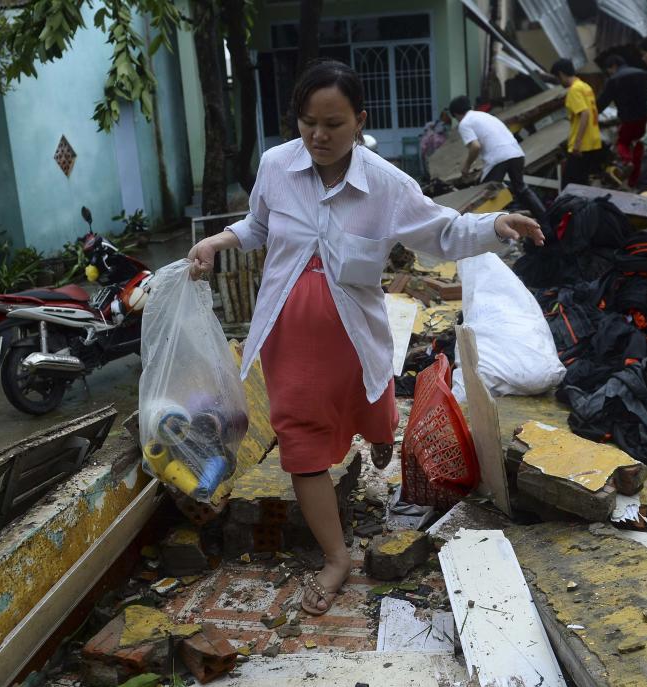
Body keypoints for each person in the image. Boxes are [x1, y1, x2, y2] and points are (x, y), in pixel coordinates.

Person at [187, 60, 544, 616]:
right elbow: (257, 226)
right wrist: (215, 242)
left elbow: (441, 231)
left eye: (333, 124)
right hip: (290, 340)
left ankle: (378, 432)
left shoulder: (385, 184)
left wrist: (492, 228)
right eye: (307, 123)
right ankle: (335, 558)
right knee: (302, 447)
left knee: (374, 411)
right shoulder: (277, 167)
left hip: (357, 339)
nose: (318, 136)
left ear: (360, 121)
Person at [448, 95, 548, 221]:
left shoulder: (464, 123)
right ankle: (546, 222)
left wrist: (466, 166)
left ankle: (486, 228)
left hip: (498, 158)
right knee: (521, 189)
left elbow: (475, 146)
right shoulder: (486, 116)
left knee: (485, 195)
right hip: (516, 153)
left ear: (456, 114)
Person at [597, 55, 647, 189]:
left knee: (622, 143)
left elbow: (603, 101)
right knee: (639, 146)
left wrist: (592, 114)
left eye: (609, 69)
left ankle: (627, 161)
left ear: (613, 66)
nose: (609, 72)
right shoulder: (642, 73)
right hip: (645, 118)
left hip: (628, 119)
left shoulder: (613, 80)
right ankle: (634, 181)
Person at [551, 58, 603, 188]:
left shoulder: (574, 90)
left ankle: (572, 208)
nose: (559, 82)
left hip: (582, 145)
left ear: (561, 74)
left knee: (569, 185)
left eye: (557, 78)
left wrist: (577, 143)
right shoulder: (585, 86)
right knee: (581, 182)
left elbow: (584, 113)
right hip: (592, 141)